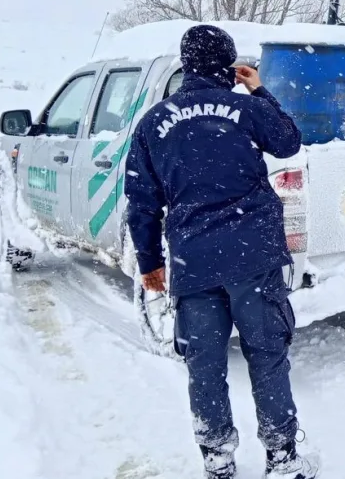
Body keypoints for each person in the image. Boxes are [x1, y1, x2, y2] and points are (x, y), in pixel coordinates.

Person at [124, 24, 317, 479]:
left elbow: (142, 202)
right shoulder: (245, 108)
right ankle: (283, 460)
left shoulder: (154, 122)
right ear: (228, 67)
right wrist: (260, 90)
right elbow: (290, 141)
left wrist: (151, 263)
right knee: (267, 355)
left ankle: (217, 462)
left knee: (204, 365)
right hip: (254, 256)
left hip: (195, 263)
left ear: (187, 65)